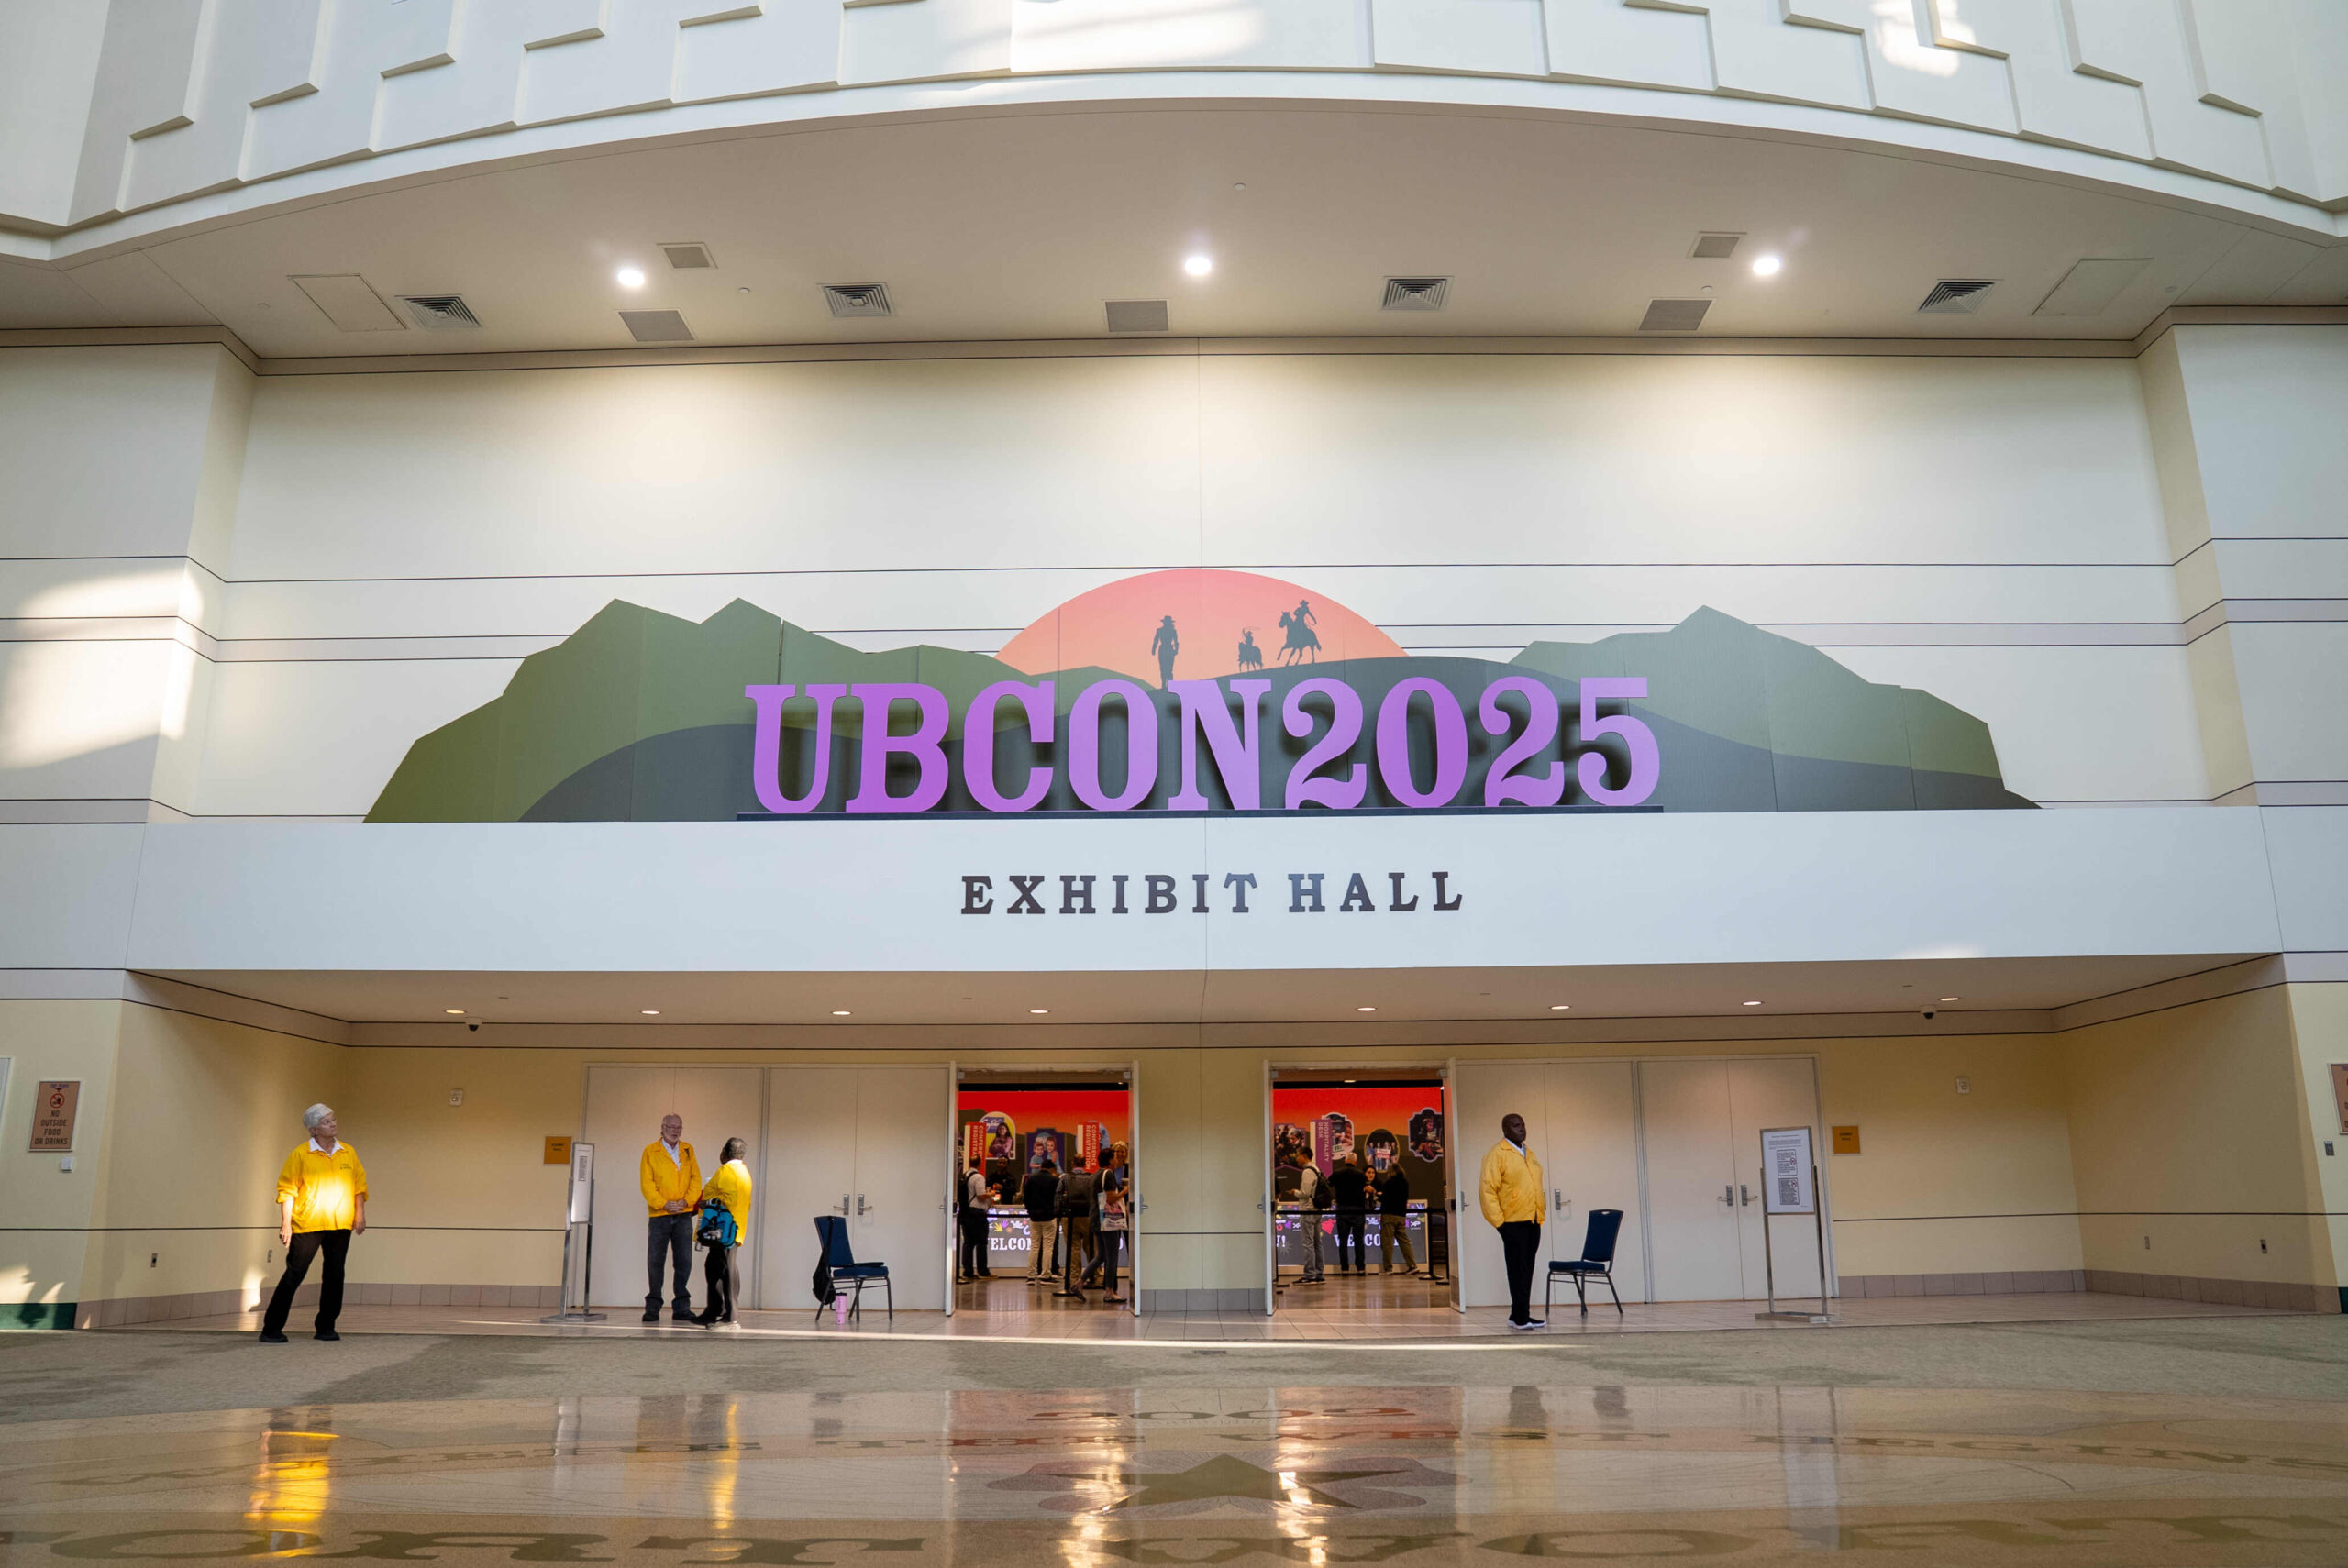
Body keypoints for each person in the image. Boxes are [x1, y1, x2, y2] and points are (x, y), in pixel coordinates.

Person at [259, 1103, 367, 1343]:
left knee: (335, 1275)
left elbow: (358, 1185)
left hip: (340, 1223)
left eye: (333, 1119)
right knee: (295, 1273)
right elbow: (287, 1190)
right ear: (314, 1130)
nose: (333, 1124)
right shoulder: (300, 1154)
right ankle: (271, 1329)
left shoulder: (348, 1152)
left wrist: (359, 1214)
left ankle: (326, 1327)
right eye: (327, 1122)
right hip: (308, 1223)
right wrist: (286, 1224)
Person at [1479, 1111, 1545, 1330]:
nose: (1522, 1129)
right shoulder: (1497, 1154)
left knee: (1527, 1268)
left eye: (1523, 1125)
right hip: (1512, 1222)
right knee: (1517, 1269)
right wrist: (1500, 1223)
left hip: (1533, 1220)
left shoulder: (1529, 1153)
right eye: (1517, 1125)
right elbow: (1487, 1190)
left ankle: (1519, 1313)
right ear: (1506, 1129)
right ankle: (1520, 1317)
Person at [639, 1113, 702, 1323]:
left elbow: (695, 1179)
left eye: (679, 1127)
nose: (675, 1131)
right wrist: (663, 1203)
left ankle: (682, 1306)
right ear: (662, 1127)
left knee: (684, 1261)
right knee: (655, 1260)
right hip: (660, 1215)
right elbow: (647, 1183)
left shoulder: (688, 1149)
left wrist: (687, 1201)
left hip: (683, 1214)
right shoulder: (650, 1151)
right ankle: (653, 1306)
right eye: (671, 1126)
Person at [693, 1136, 751, 1327]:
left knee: (726, 1269)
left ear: (725, 1152)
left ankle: (730, 1316)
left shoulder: (728, 1170)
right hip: (731, 1228)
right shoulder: (743, 1171)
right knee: (714, 1267)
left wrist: (706, 1203)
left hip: (724, 1229)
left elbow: (728, 1199)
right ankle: (713, 1310)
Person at [1056, 1156, 1098, 1301]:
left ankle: (1074, 1280)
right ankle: (1096, 1277)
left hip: (1070, 1217)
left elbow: (1058, 1196)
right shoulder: (1091, 1178)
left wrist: (1060, 1213)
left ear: (1072, 1163)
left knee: (1073, 1249)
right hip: (1088, 1216)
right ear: (1085, 1164)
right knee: (1091, 1248)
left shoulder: (1065, 1178)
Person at [1095, 1142, 1131, 1305]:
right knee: (1111, 1253)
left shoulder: (1129, 1169)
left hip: (1127, 1213)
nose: (1120, 1154)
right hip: (1112, 1215)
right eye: (1118, 1151)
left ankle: (1131, 1280)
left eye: (1123, 1151)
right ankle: (1111, 1286)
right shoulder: (1108, 1172)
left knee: (1129, 1248)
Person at [1376, 1160, 1422, 1276]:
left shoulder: (1389, 1183)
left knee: (1387, 1242)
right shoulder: (1405, 1183)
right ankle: (1412, 1265)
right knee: (1404, 1241)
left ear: (1391, 1172)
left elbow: (1384, 1199)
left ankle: (1388, 1268)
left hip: (1389, 1215)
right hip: (1401, 1215)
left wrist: (1378, 1195)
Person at [1330, 1152, 1370, 1275]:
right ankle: (1360, 1269)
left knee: (1343, 1241)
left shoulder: (1337, 1173)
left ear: (1345, 1160)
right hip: (1358, 1210)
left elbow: (1327, 1185)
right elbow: (1368, 1189)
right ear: (1355, 1162)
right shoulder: (1361, 1175)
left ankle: (1345, 1269)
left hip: (1342, 1210)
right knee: (1359, 1241)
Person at [1022, 1157, 1062, 1283]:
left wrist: (1030, 1212)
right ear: (1051, 1169)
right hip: (1049, 1217)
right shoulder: (1054, 1180)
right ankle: (1045, 1275)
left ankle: (1031, 1275)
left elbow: (1025, 1198)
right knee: (1048, 1247)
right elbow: (1058, 1199)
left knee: (1034, 1246)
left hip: (1034, 1217)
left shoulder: (1031, 1179)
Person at [1290, 1151, 1326, 1284]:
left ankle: (1310, 1275)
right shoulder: (1317, 1169)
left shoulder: (1307, 1172)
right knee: (1317, 1243)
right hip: (1316, 1210)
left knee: (1308, 1243)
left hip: (1307, 1210)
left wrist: (1295, 1192)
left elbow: (1305, 1193)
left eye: (1298, 1156)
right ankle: (1319, 1273)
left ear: (1304, 1156)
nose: (1297, 1159)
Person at [958, 1159, 994, 1281]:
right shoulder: (978, 1177)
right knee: (981, 1242)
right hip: (977, 1213)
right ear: (980, 1163)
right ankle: (982, 1271)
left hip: (965, 1211)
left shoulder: (964, 1176)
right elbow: (980, 1195)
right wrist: (991, 1194)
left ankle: (967, 1272)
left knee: (968, 1243)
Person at [1151, 614, 1180, 689]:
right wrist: (1153, 649)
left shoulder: (1163, 631)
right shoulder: (1170, 631)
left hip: (1165, 649)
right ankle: (1165, 685)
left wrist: (1153, 649)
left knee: (1167, 668)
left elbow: (1176, 641)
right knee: (1165, 668)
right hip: (1167, 649)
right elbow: (1156, 640)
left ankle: (1167, 685)